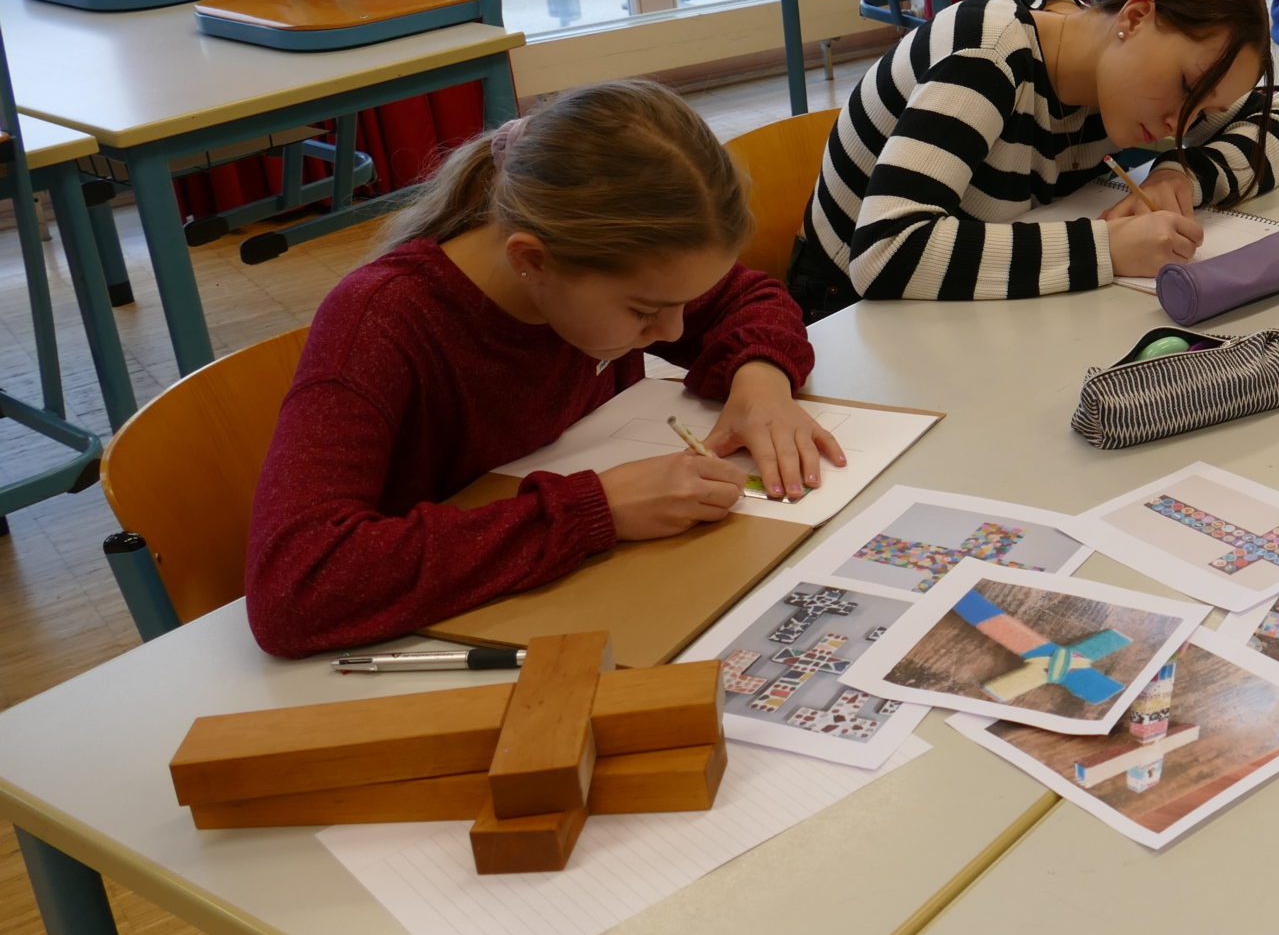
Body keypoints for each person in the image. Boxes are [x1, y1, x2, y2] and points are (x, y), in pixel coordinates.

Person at [247, 81, 838, 658]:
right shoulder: (380, 323)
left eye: (685, 302)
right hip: (447, 651)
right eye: (646, 312)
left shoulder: (611, 269)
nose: (676, 332)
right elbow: (296, 586)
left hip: (600, 595)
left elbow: (745, 298)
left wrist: (761, 376)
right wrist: (594, 510)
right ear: (532, 260)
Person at [788, 0, 1279, 312]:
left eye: (1205, 111)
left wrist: (1182, 174)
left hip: (962, 298)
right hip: (845, 311)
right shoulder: (987, 56)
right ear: (1134, 16)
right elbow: (886, 254)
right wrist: (1108, 248)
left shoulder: (1113, 71)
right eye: (1185, 87)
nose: (1181, 124)